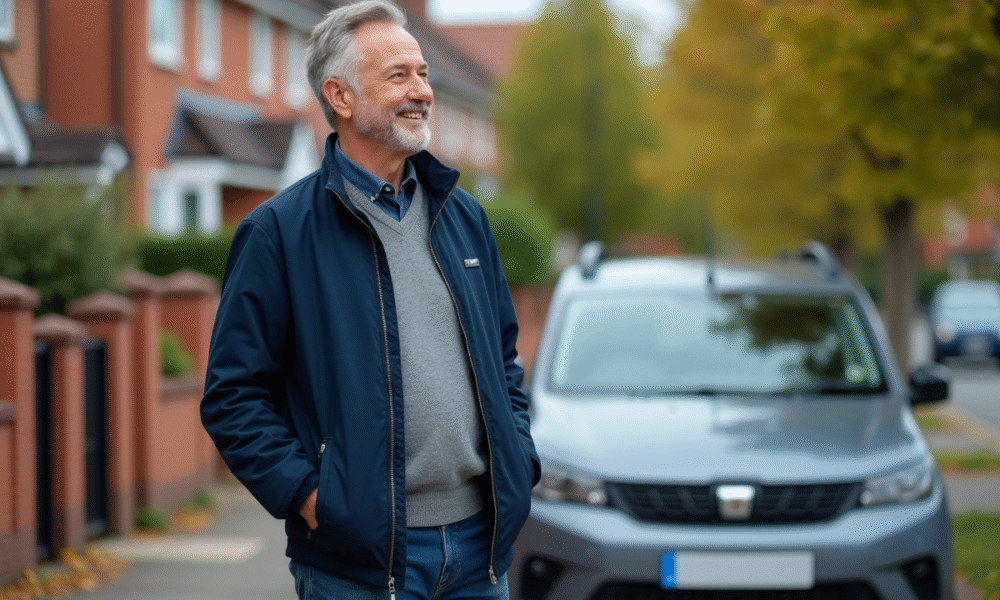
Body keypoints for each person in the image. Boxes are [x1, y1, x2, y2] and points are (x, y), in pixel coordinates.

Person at [200, 1, 540, 599]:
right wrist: (312, 499)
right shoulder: (278, 234)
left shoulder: (465, 219)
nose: (422, 92)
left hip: (479, 554)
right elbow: (233, 397)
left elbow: (503, 359)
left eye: (424, 73)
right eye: (399, 76)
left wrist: (520, 460)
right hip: (360, 566)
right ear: (341, 96)